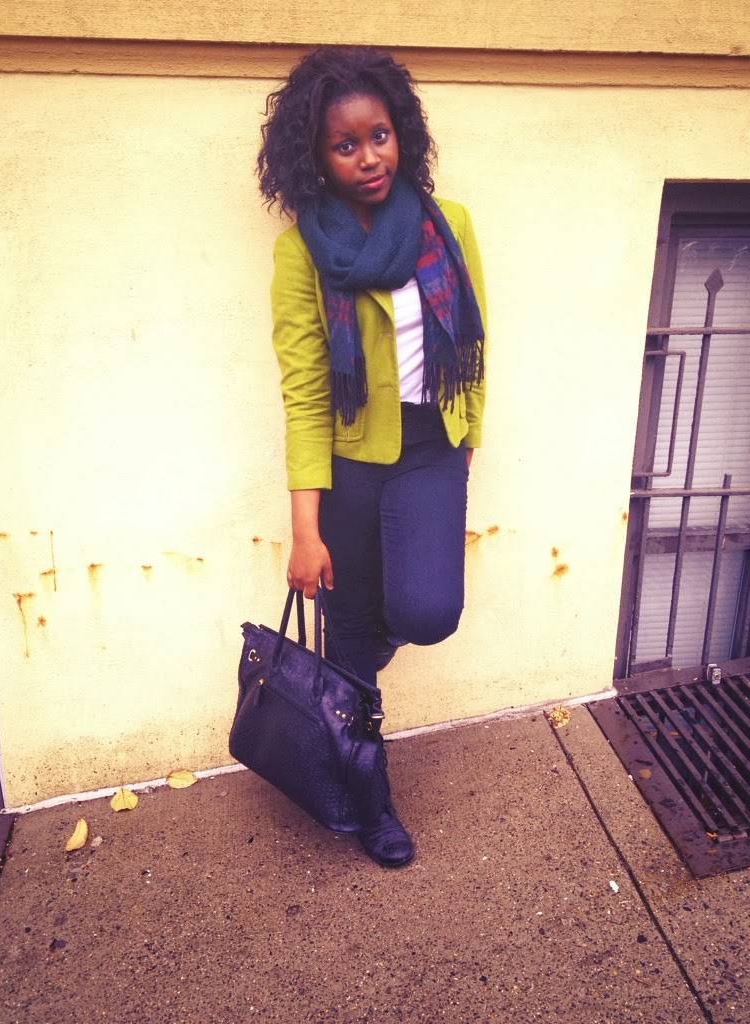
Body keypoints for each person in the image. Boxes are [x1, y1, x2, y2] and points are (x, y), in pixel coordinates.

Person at [257, 46, 487, 868]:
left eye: (378, 135)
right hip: (349, 464)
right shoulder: (302, 252)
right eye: (345, 144)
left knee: (428, 611)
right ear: (315, 157)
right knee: (349, 644)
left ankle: (363, 650)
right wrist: (305, 531)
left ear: (402, 133)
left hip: (430, 450)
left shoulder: (448, 225)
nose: (368, 156)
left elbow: (476, 344)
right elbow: (304, 393)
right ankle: (371, 799)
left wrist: (466, 446)